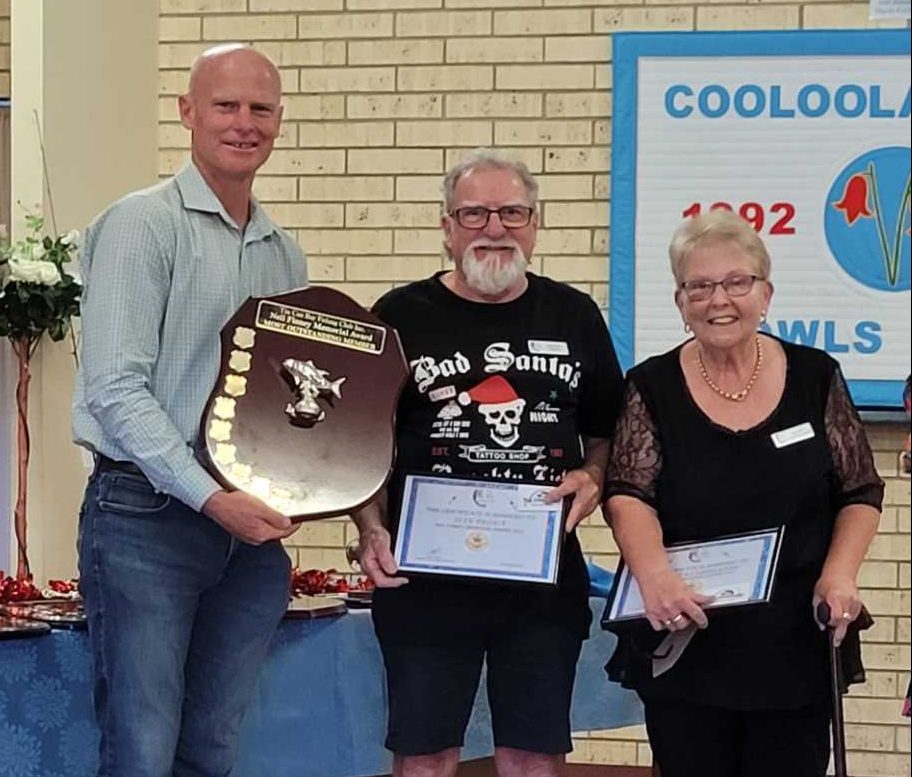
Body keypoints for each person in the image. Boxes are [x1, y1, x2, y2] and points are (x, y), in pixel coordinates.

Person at [72, 44, 306, 777]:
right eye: (226, 105)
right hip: (146, 521)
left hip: (248, 536)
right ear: (187, 113)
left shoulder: (283, 253)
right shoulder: (141, 225)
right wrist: (210, 497)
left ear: (279, 121)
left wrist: (313, 485)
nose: (244, 123)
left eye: (260, 108)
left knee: (212, 749)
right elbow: (114, 388)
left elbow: (287, 398)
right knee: (141, 751)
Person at [353, 148, 624, 777]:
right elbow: (357, 441)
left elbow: (607, 426)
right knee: (425, 756)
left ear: (535, 223)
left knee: (532, 755)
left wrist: (594, 474)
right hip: (423, 575)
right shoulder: (398, 315)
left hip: (542, 572)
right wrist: (370, 528)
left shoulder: (574, 313)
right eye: (474, 214)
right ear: (446, 226)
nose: (494, 228)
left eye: (511, 212)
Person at [602, 209, 883, 777]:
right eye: (698, 286)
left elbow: (859, 490)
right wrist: (654, 578)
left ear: (765, 292)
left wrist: (841, 575)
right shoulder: (650, 386)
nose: (718, 299)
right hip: (688, 631)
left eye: (736, 282)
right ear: (680, 302)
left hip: (794, 636)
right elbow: (628, 492)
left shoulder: (815, 375)